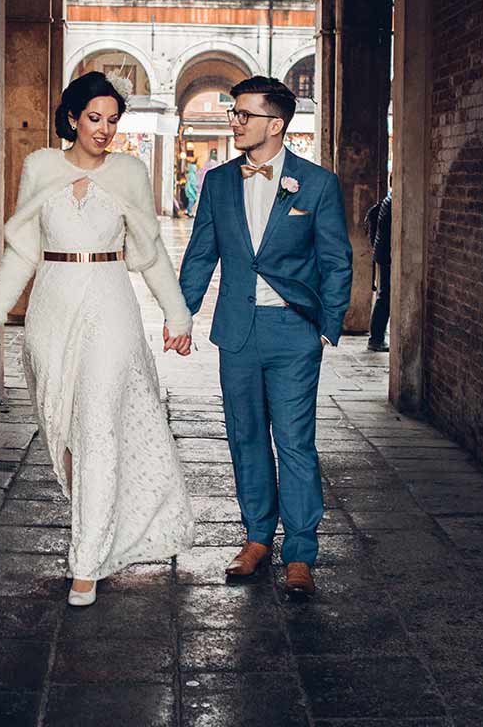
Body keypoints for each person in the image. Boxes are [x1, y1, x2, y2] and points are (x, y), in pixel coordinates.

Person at [0, 72, 195, 607]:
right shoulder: (40, 168)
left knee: (99, 426)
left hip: (111, 306)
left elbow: (147, 252)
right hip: (52, 308)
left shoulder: (128, 172)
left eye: (113, 121)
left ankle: (86, 563)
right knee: (65, 432)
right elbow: (23, 251)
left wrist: (178, 314)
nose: (105, 130)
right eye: (95, 118)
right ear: (73, 117)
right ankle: (100, 523)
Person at [176, 76, 352, 599]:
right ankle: (256, 539)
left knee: (296, 444)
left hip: (294, 332)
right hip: (238, 333)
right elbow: (202, 254)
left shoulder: (316, 184)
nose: (234, 121)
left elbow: (336, 260)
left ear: (275, 125)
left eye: (244, 114)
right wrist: (180, 314)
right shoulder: (218, 181)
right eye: (233, 112)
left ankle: (300, 551)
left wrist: (328, 326)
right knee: (245, 437)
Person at [365, 191, 392, 352]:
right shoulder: (393, 203)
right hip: (387, 256)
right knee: (385, 296)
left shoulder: (388, 200)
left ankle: (376, 337)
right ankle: (376, 338)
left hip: (383, 254)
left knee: (384, 296)